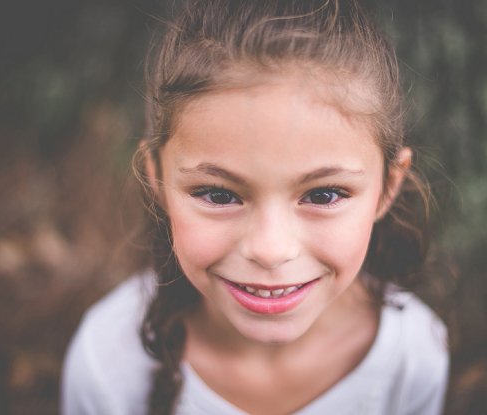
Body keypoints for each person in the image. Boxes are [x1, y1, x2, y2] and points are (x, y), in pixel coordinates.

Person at [60, 1, 448, 414]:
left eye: (323, 195)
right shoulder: (106, 366)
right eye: (219, 194)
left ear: (388, 187)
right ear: (158, 179)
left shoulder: (413, 358)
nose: (269, 249)